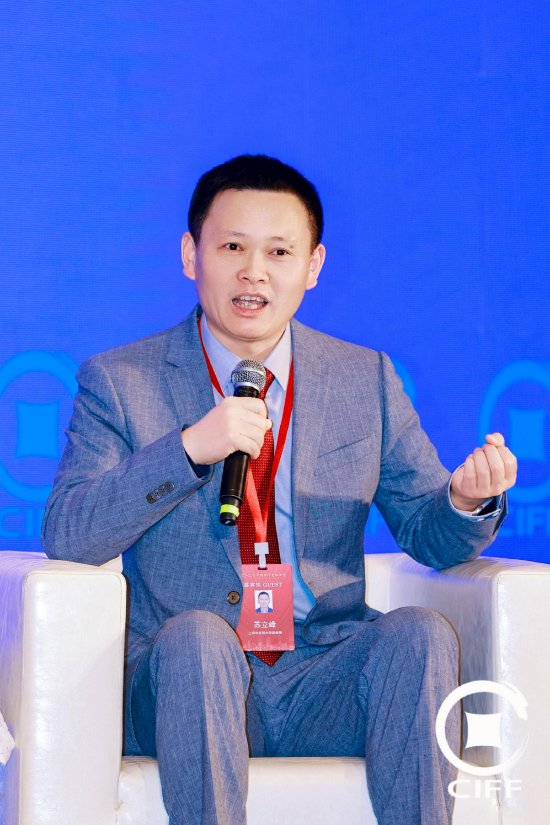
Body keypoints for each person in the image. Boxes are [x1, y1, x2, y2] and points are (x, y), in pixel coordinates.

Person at [42, 154, 517, 825]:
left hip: (322, 672)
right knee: (198, 639)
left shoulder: (365, 379)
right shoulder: (121, 381)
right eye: (232, 247)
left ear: (313, 266)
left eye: (279, 251)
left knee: (419, 634)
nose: (254, 272)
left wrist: (465, 503)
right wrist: (187, 450)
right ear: (191, 254)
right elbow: (70, 532)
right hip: (187, 682)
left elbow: (428, 533)